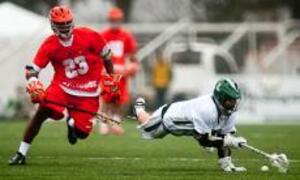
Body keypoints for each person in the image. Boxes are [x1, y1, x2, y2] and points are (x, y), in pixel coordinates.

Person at [8, 5, 114, 165]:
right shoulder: (49, 44)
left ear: (72, 22)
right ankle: (21, 153)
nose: (64, 27)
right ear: (53, 25)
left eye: (67, 23)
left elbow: (107, 56)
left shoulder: (90, 35)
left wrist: (111, 78)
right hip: (62, 87)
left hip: (88, 91)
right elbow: (32, 69)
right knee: (40, 114)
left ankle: (71, 123)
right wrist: (33, 82)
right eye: (60, 24)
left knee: (82, 133)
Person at [133, 78, 248, 172]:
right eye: (230, 101)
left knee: (218, 137)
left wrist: (226, 163)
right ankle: (139, 109)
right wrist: (225, 141)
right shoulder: (207, 109)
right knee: (148, 128)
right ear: (221, 98)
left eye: (235, 100)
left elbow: (225, 135)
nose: (234, 104)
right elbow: (202, 139)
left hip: (192, 125)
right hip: (169, 118)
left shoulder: (230, 111)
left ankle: (219, 152)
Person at [99, 7, 139, 135]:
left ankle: (115, 122)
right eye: (113, 20)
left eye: (117, 20)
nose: (115, 22)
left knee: (120, 100)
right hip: (107, 71)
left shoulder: (126, 35)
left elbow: (132, 54)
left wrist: (133, 65)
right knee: (106, 99)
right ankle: (104, 123)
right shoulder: (103, 35)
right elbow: (97, 53)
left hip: (121, 73)